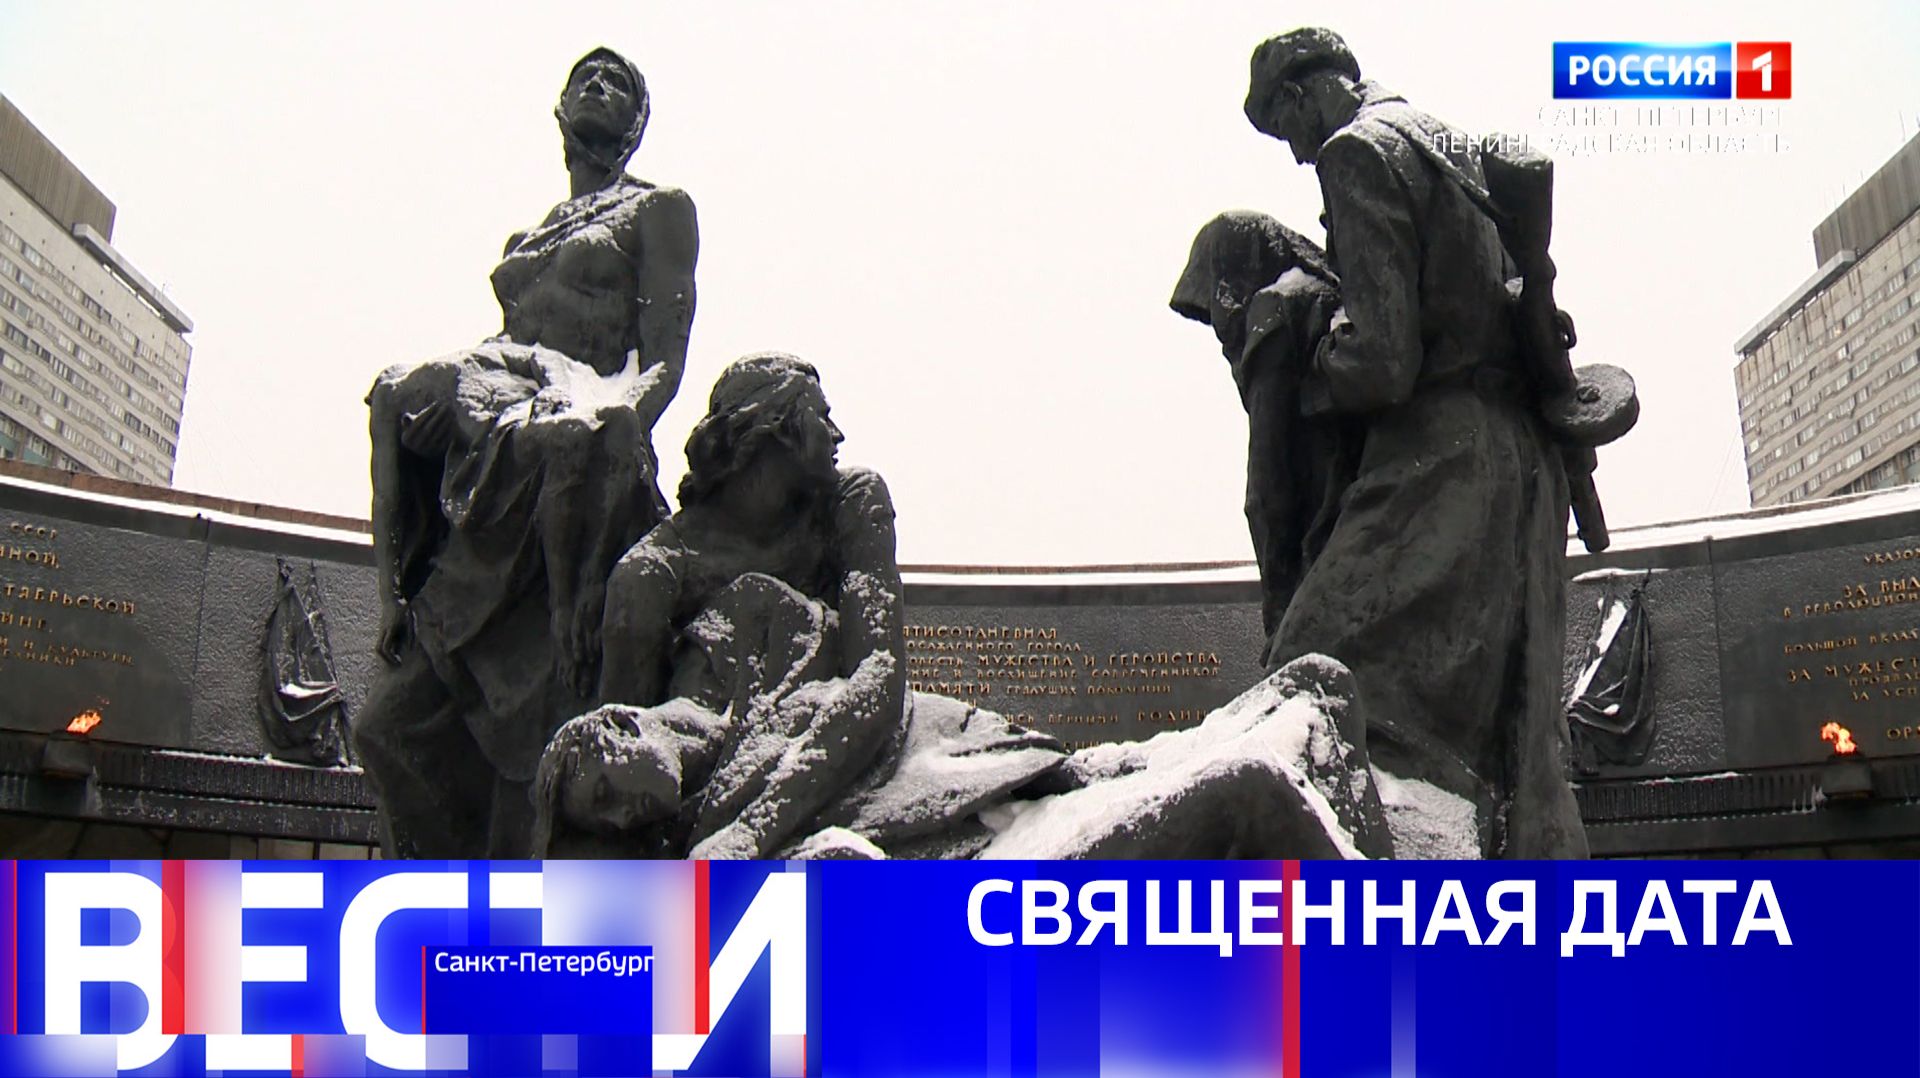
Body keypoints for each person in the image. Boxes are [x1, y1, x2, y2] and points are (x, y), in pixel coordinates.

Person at [1243, 27, 1587, 857]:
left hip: (1439, 464)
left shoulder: (1357, 152)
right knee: (1492, 744)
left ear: (1302, 95)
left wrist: (1316, 356)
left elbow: (1383, 361)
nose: (1295, 152)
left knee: (1302, 690)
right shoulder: (1448, 142)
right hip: (1515, 462)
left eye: (1283, 128)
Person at [356, 47, 699, 858]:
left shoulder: (659, 209)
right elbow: (505, 342)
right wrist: (458, 415)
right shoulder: (533, 233)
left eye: (620, 83)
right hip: (510, 393)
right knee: (392, 393)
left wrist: (621, 424)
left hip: (584, 405)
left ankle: (564, 624)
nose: (600, 86)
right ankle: (394, 596)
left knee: (565, 437)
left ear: (637, 124)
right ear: (560, 109)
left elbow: (665, 358)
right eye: (587, 77)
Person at [1170, 210, 1358, 659]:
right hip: (1362, 511)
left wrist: (1278, 613)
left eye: (1218, 292)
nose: (1220, 313)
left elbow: (1268, 485)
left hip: (1319, 530)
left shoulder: (1275, 311)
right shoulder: (1329, 299)